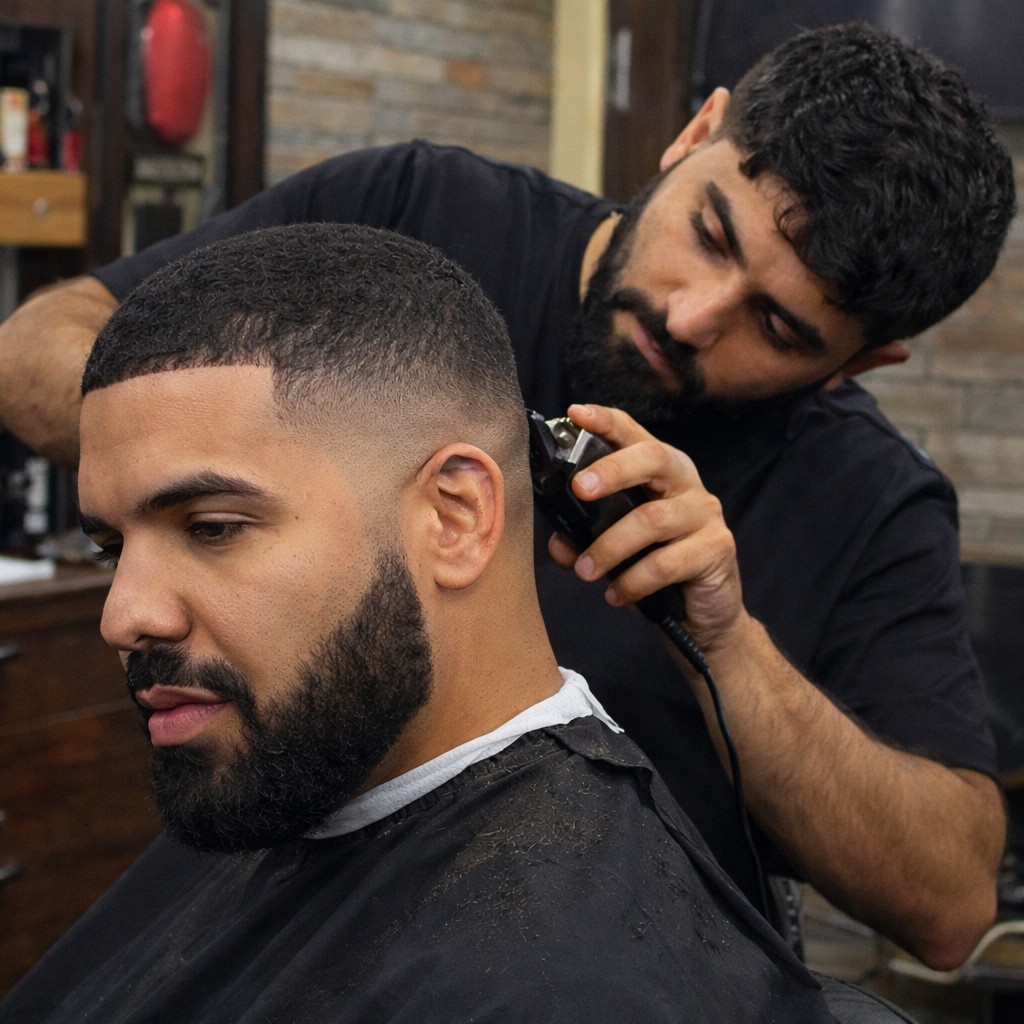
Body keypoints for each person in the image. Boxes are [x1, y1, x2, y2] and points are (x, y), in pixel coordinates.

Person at [0, 22, 1014, 968]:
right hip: (278, 935)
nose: (691, 317)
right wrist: (286, 455)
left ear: (860, 364)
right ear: (694, 133)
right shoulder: (416, 213)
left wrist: (728, 643)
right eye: (710, 235)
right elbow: (31, 350)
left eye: (778, 329)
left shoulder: (866, 498)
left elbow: (949, 904)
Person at [0, 222, 859, 1023]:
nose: (125, 616)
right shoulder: (293, 763)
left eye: (213, 528)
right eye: (113, 547)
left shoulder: (571, 987)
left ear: (454, 518)